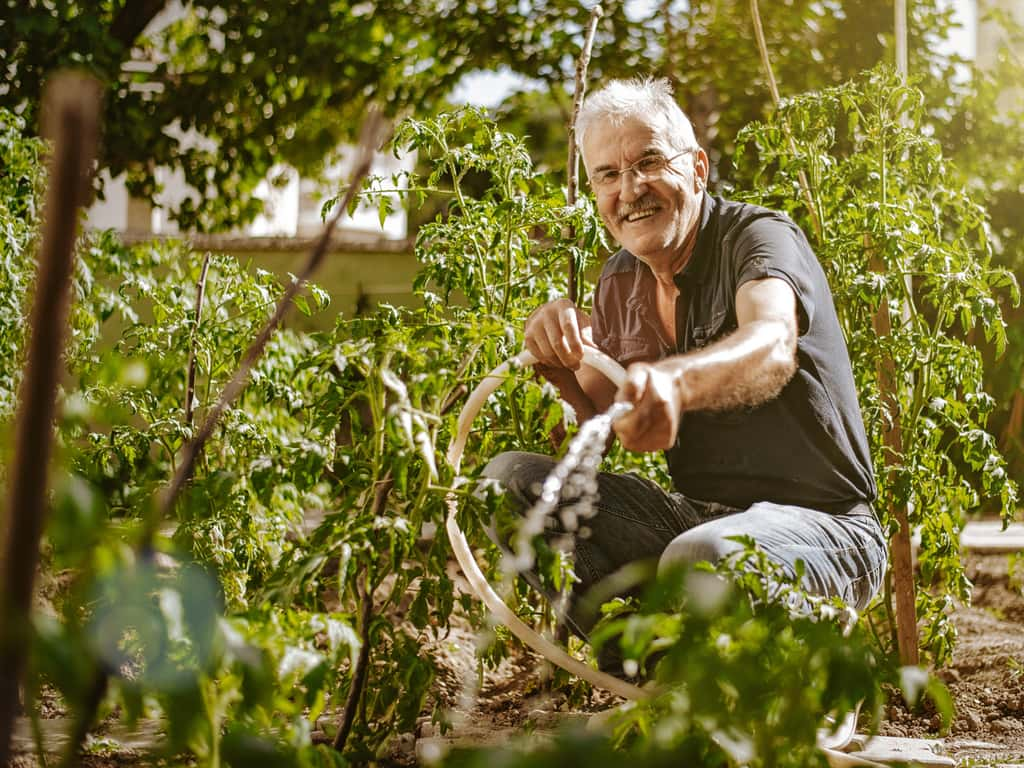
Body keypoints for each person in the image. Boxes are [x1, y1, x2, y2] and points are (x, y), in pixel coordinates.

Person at [482, 77, 887, 654]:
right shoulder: (620, 280)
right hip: (697, 519)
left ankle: (794, 682)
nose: (630, 189)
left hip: (826, 529)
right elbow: (586, 419)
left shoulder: (756, 239)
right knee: (508, 483)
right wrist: (555, 365)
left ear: (697, 168)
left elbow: (772, 343)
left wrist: (676, 380)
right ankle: (655, 681)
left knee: (702, 557)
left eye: (649, 162)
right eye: (608, 175)